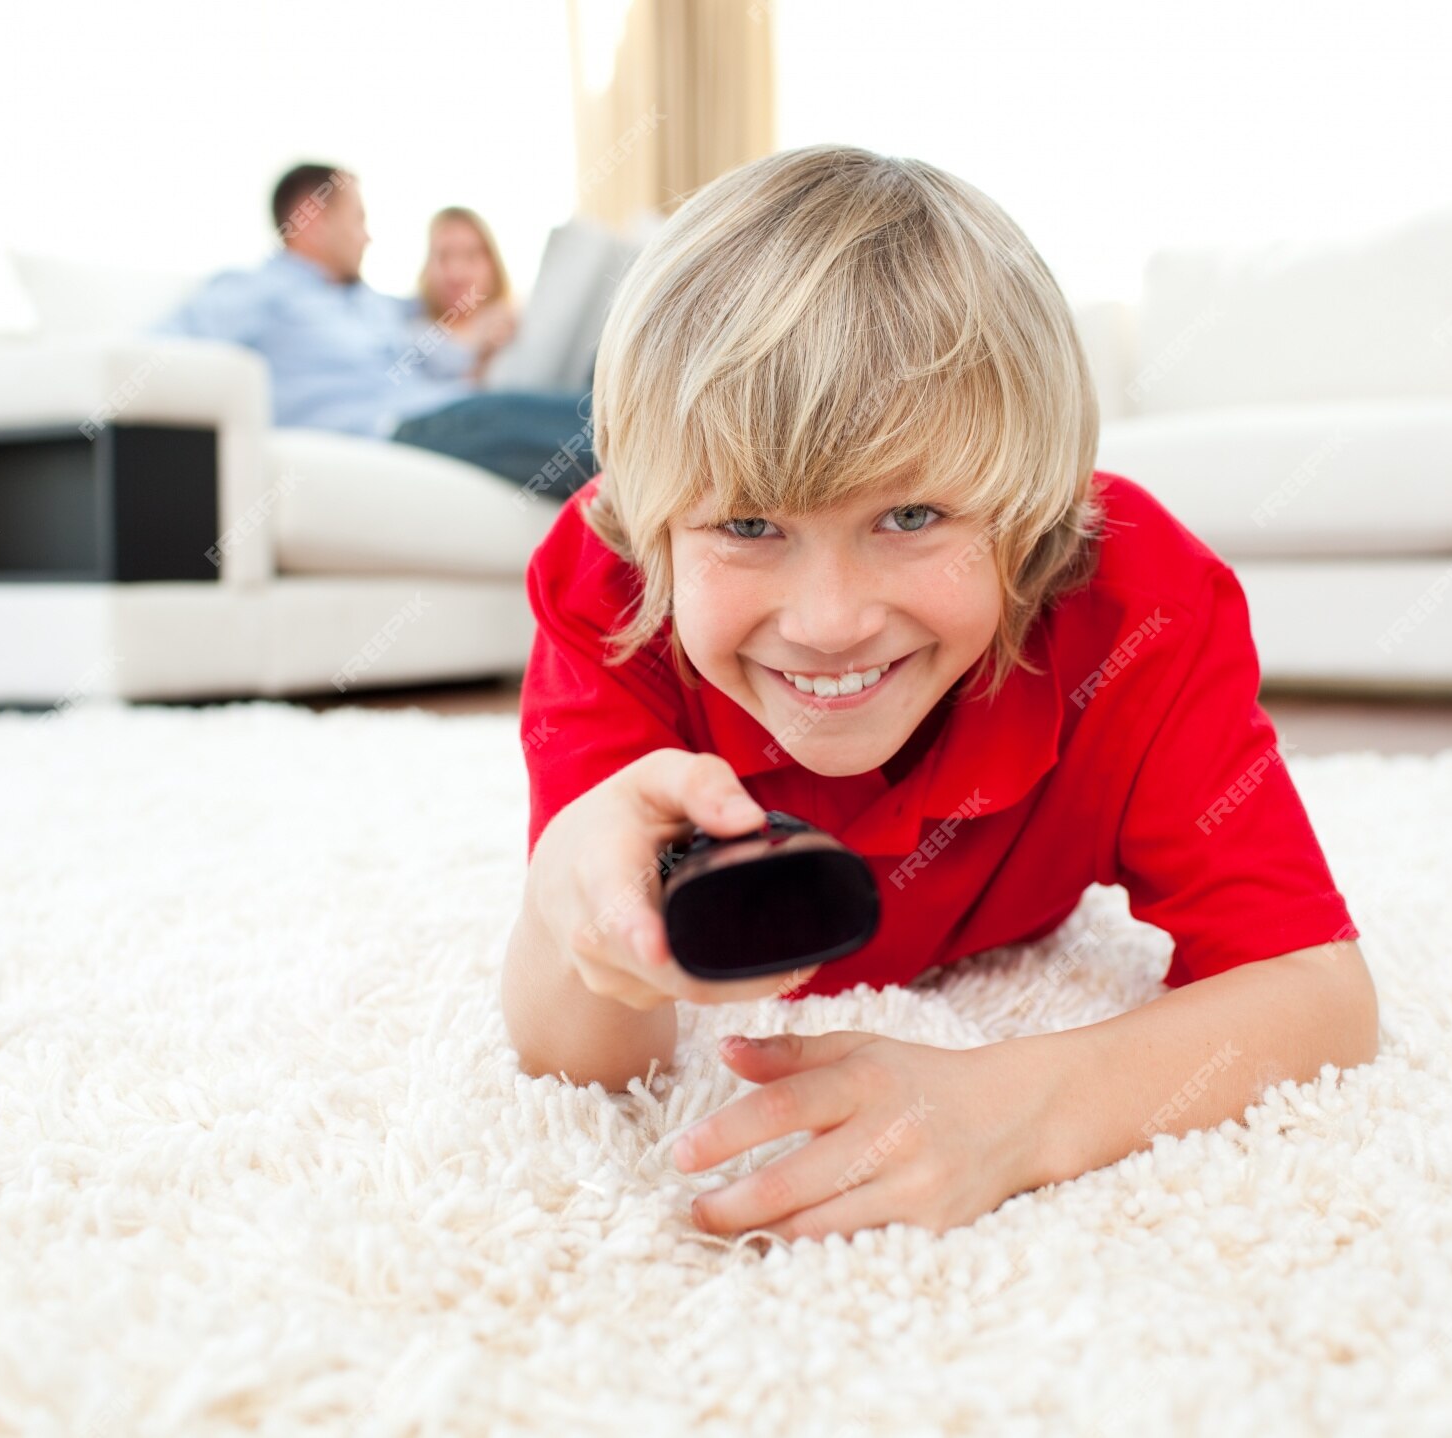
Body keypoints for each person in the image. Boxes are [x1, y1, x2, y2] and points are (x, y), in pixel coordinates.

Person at [499, 145, 1379, 1242]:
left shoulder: (1142, 603)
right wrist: (571, 909)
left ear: (1032, 509)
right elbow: (585, 1060)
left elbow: (1315, 992)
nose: (828, 622)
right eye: (746, 526)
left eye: (910, 517)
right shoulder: (608, 582)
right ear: (654, 525)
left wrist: (1021, 1108)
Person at [151, 164, 594, 500]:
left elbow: (437, 333)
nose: (367, 237)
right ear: (310, 219)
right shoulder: (259, 291)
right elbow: (154, 348)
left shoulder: (367, 302)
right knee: (565, 425)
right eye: (357, 219)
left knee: (591, 411)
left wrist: (485, 335)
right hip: (394, 431)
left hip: (446, 409)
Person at [409, 206, 519, 385]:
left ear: (492, 265)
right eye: (443, 256)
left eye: (470, 256)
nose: (456, 273)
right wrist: (482, 362)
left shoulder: (519, 324)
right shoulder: (412, 337)